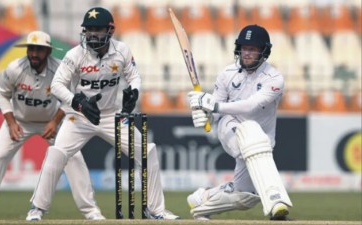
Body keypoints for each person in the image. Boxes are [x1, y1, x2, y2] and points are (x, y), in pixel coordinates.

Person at [25, 7, 180, 220]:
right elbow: (57, 84)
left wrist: (134, 92)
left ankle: (156, 210)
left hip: (111, 116)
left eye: (97, 29)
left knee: (148, 151)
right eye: (88, 30)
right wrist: (77, 101)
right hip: (78, 116)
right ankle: (37, 208)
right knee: (57, 153)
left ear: (110, 30)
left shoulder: (122, 51)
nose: (91, 34)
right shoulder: (75, 54)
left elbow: (134, 76)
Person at [0, 31, 104, 221]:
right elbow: (2, 94)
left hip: (52, 122)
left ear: (48, 52)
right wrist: (11, 122)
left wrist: (55, 121)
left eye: (40, 50)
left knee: (74, 158)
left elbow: (69, 98)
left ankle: (91, 211)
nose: (34, 54)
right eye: (31, 49)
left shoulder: (59, 70)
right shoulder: (14, 68)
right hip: (20, 122)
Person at [186, 25, 293, 220]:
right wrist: (204, 116)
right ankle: (276, 200)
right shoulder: (227, 74)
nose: (247, 53)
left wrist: (214, 106)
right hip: (231, 126)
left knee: (245, 196)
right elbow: (215, 113)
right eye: (244, 48)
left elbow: (251, 106)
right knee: (250, 132)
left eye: (253, 49)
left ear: (264, 51)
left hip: (262, 142)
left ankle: (203, 199)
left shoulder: (275, 79)